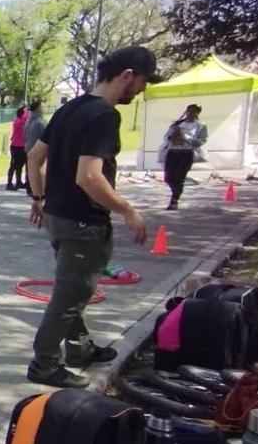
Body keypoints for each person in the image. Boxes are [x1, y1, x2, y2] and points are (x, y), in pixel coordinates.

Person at [25, 46, 164, 388]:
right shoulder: (105, 115)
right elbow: (88, 176)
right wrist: (127, 209)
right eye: (143, 82)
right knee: (70, 295)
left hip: (57, 217)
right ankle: (44, 363)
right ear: (127, 75)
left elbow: (33, 157)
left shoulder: (68, 109)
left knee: (74, 288)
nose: (143, 90)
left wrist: (39, 197)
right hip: (83, 222)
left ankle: (81, 348)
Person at [159, 104, 208, 210]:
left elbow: (201, 141)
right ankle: (176, 192)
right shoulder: (178, 124)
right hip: (172, 152)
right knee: (168, 178)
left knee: (179, 177)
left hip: (186, 153)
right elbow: (166, 137)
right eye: (188, 111)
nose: (189, 113)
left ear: (197, 113)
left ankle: (174, 200)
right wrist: (172, 137)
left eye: (193, 111)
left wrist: (186, 137)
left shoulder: (200, 126)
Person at [7, 106, 29, 191]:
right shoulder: (18, 121)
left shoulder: (23, 121)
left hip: (22, 146)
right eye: (26, 111)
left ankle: (18, 181)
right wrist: (28, 111)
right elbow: (26, 118)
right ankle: (9, 183)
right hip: (16, 146)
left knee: (20, 165)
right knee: (14, 165)